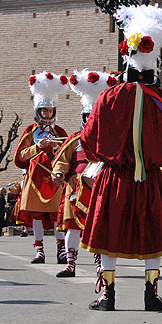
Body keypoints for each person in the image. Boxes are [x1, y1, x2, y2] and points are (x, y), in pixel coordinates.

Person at [80, 4, 162, 311]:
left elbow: (88, 139)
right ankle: (150, 294)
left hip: (113, 177)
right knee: (152, 236)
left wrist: (105, 157)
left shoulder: (108, 97)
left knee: (107, 233)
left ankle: (107, 295)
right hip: (150, 178)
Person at [51, 69, 116, 277]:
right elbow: (61, 160)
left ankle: (100, 265)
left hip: (100, 188)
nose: (90, 121)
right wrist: (59, 173)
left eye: (93, 117)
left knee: (98, 228)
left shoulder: (108, 140)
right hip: (74, 188)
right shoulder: (74, 139)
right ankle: (70, 264)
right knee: (72, 227)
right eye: (87, 117)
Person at [14, 72, 68, 263]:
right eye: (44, 110)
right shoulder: (30, 131)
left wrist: (54, 149)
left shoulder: (60, 132)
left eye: (50, 110)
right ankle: (39, 250)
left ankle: (62, 250)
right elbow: (20, 156)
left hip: (54, 178)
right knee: (36, 214)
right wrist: (38, 147)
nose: (47, 114)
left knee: (57, 215)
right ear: (38, 111)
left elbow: (66, 155)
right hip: (34, 177)